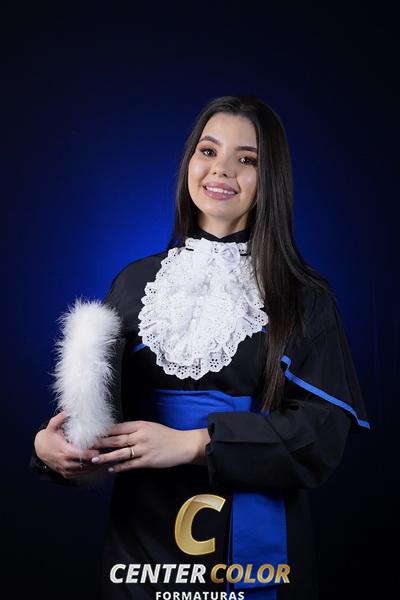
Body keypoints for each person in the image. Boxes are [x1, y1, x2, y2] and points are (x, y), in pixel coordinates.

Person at [30, 94, 370, 600]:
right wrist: (51, 451)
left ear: (271, 178)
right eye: (208, 151)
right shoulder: (134, 283)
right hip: (139, 550)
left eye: (246, 159)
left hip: (253, 553)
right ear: (189, 162)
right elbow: (98, 424)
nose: (222, 169)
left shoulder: (303, 297)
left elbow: (321, 436)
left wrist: (193, 444)